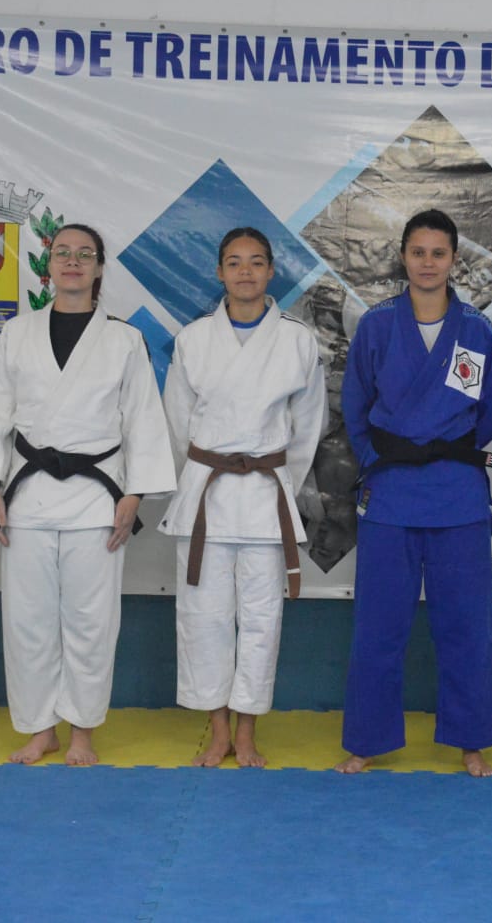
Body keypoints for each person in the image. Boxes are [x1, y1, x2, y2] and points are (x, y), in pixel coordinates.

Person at [0, 223, 175, 766]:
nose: (72, 262)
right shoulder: (17, 334)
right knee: (28, 620)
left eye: (84, 255)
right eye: (62, 253)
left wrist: (133, 493)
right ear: (47, 265)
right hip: (27, 494)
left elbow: (142, 421)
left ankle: (83, 729)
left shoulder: (124, 340)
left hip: (95, 497)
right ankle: (41, 729)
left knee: (91, 620)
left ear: (100, 268)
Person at [335, 209, 492, 777]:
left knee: (466, 625)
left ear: (454, 259)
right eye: (418, 252)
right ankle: (366, 740)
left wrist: (445, 453)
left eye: (439, 253)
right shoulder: (377, 327)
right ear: (403, 258)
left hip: (456, 494)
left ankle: (471, 740)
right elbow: (354, 407)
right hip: (390, 494)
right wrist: (380, 461)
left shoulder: (477, 331)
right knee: (379, 626)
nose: (428, 263)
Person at [159, 227, 327, 768]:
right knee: (204, 617)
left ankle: (248, 729)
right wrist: (196, 478)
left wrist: (279, 482)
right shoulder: (193, 339)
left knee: (261, 620)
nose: (246, 272)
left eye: (256, 262)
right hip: (205, 496)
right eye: (234, 263)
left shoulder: (298, 339)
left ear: (271, 271)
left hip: (263, 498)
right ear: (219, 273)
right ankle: (217, 728)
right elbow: (176, 423)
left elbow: (306, 429)